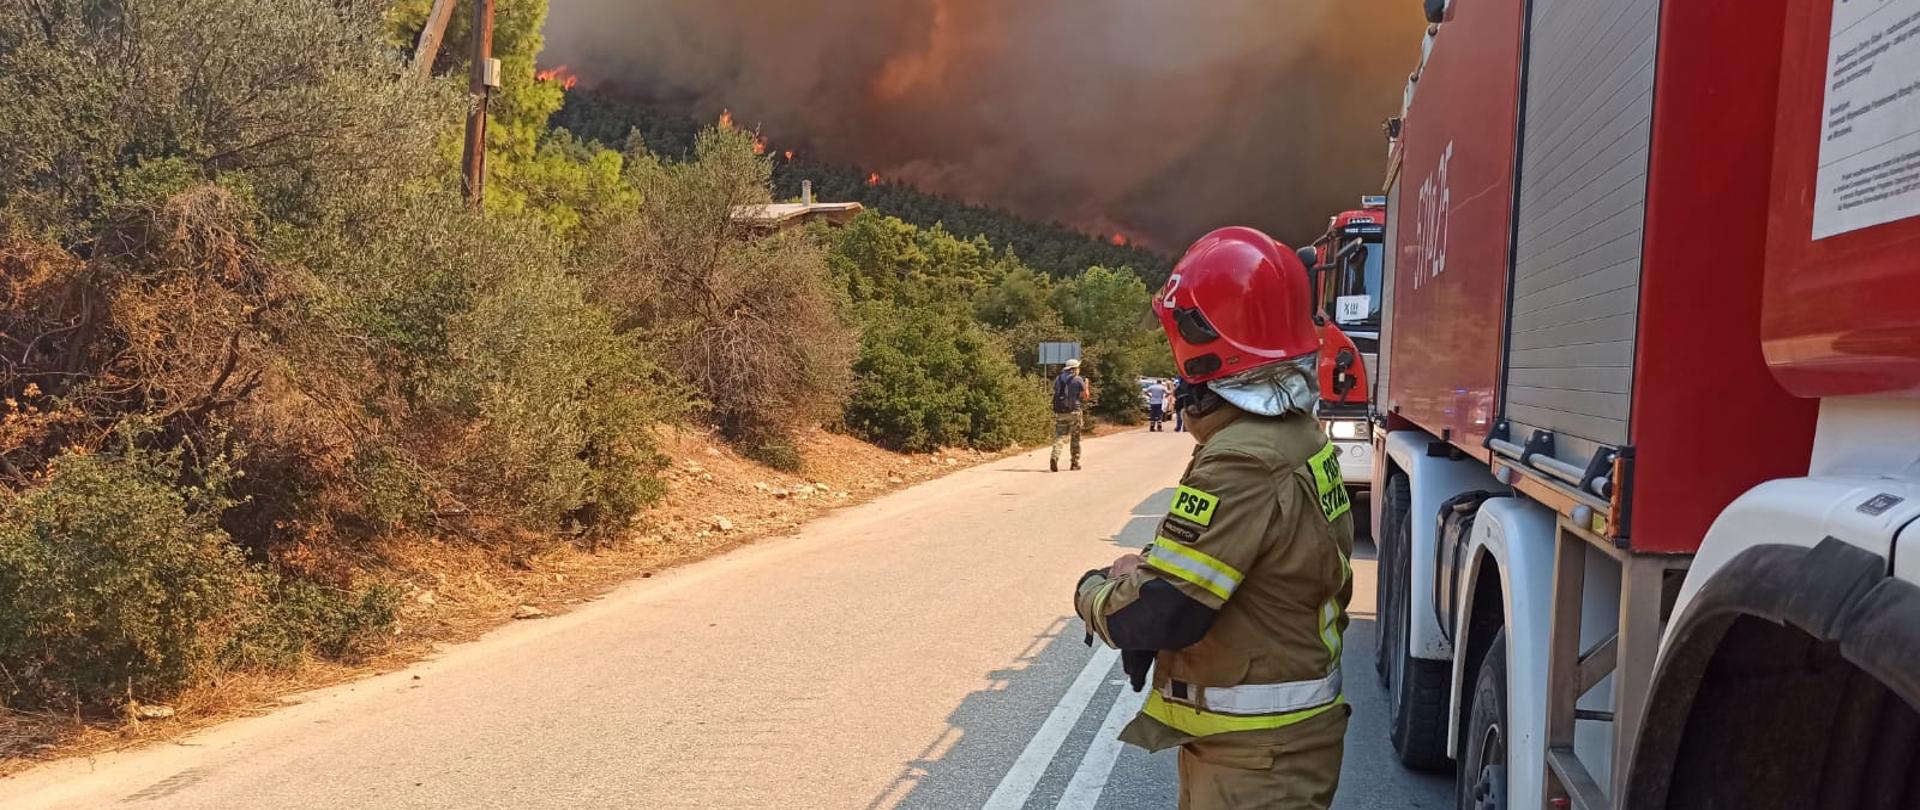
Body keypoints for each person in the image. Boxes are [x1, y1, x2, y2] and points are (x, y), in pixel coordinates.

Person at [1073, 227, 1354, 810]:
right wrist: (1145, 568)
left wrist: (1094, 593)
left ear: (1207, 345)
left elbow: (1164, 611)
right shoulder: (1295, 435)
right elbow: (1240, 560)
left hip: (1254, 760)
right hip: (1269, 745)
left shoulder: (1242, 459)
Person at [1050, 358, 1090, 472]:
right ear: (1074, 369)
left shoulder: (1058, 379)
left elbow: (1056, 391)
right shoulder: (1078, 379)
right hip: (1074, 412)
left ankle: (1054, 456)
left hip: (1061, 412)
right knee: (1075, 438)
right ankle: (1074, 463)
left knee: (1060, 436)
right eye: (1078, 367)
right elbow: (1086, 396)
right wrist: (1086, 385)